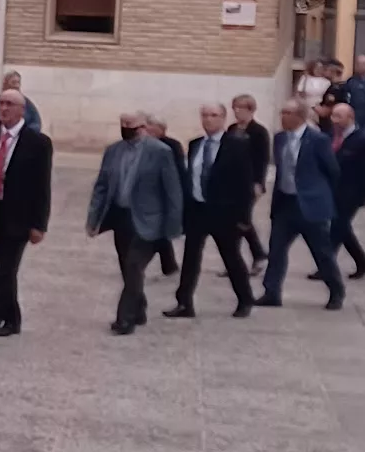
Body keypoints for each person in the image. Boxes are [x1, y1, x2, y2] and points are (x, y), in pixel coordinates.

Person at [86, 112, 182, 335]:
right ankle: (139, 309)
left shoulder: (160, 152)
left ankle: (125, 319)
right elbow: (101, 186)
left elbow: (172, 190)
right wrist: (93, 219)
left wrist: (173, 225)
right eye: (123, 125)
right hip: (121, 218)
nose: (127, 129)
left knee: (133, 265)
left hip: (149, 219)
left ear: (143, 127)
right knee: (127, 268)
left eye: (132, 125)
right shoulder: (113, 151)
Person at [0, 89, 52, 345]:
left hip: (20, 215)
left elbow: (43, 187)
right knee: (3, 270)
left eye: (9, 104)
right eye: (1, 103)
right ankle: (13, 319)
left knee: (7, 270)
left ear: (22, 110)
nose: (3, 108)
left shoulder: (38, 143)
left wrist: (39, 224)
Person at [165, 104, 256, 319]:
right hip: (198, 209)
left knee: (231, 257)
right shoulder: (196, 144)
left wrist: (244, 217)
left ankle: (244, 299)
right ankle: (184, 302)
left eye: (213, 115)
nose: (208, 120)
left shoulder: (237, 145)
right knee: (190, 258)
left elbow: (245, 184)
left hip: (224, 212)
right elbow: (191, 177)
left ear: (223, 118)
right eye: (204, 115)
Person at [258, 97, 344, 311]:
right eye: (282, 112)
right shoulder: (279, 139)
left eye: (287, 113)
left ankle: (336, 290)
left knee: (321, 252)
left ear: (299, 116)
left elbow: (332, 171)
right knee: (276, 249)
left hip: (310, 205)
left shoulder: (318, 140)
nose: (283, 117)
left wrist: (321, 195)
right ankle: (271, 292)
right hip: (285, 203)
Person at [324, 103, 365, 281]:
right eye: (333, 116)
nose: (335, 120)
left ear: (350, 118)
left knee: (336, 229)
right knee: (343, 229)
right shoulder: (331, 136)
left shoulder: (362, 140)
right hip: (333, 190)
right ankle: (363, 263)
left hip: (352, 193)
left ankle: (325, 265)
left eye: (339, 117)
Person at [227, 94, 272, 275]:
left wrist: (259, 182)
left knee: (243, 219)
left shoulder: (259, 131)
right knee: (232, 222)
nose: (237, 111)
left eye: (241, 108)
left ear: (251, 110)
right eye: (235, 108)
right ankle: (234, 260)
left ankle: (258, 255)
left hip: (249, 183)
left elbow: (262, 158)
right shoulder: (231, 129)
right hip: (231, 182)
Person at [144, 115, 185, 276]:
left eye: (151, 127)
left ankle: (167, 265)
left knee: (158, 231)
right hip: (149, 194)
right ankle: (169, 265)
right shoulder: (145, 144)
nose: (147, 130)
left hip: (164, 194)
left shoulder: (172, 145)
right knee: (158, 231)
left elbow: (179, 171)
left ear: (161, 129)